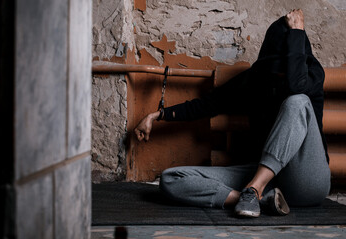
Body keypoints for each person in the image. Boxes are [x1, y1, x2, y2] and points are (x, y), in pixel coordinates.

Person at [134, 9, 330, 218]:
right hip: (271, 183)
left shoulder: (312, 77)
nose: (280, 75)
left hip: (308, 182)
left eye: (286, 67)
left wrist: (297, 32)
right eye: (276, 69)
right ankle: (254, 198)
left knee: (297, 101)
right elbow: (208, 104)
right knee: (171, 179)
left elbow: (294, 86)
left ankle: (254, 189)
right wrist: (157, 115)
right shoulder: (256, 79)